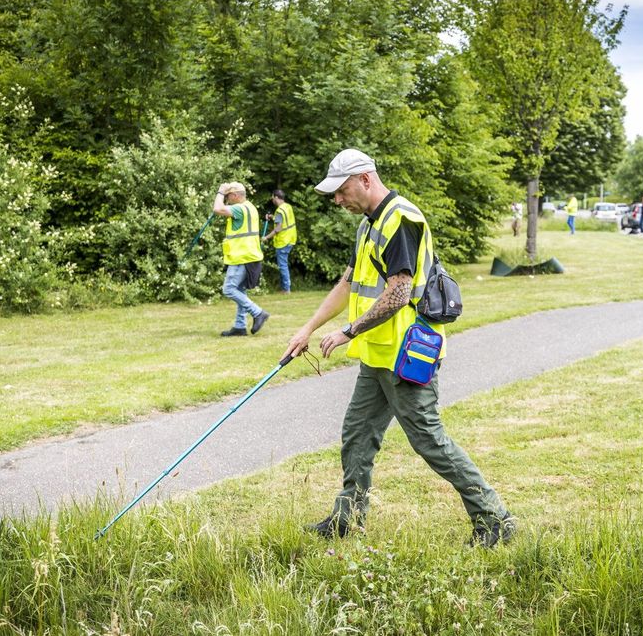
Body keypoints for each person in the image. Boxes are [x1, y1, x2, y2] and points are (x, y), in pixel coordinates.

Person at [282, 148, 514, 548]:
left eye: (341, 190)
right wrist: (307, 328)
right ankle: (347, 519)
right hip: (378, 354)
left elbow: (399, 292)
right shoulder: (369, 224)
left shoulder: (401, 219)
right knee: (357, 433)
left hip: (408, 354)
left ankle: (494, 517)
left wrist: (347, 332)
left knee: (428, 439)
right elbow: (348, 283)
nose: (337, 200)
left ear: (366, 179)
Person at [214, 182, 270, 336]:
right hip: (250, 256)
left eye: (228, 196)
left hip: (242, 257)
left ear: (235, 195)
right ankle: (240, 326)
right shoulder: (250, 207)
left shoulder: (239, 209)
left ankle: (258, 313)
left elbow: (217, 209)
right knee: (240, 290)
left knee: (229, 289)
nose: (226, 199)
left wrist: (219, 192)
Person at [262, 189, 297, 293]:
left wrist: (266, 237)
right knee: (284, 264)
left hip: (283, 241)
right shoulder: (287, 207)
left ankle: (286, 289)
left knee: (282, 266)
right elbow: (283, 221)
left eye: (272, 197)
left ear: (276, 197)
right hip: (291, 238)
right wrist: (272, 217)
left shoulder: (280, 211)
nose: (272, 199)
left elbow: (278, 228)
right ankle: (285, 288)